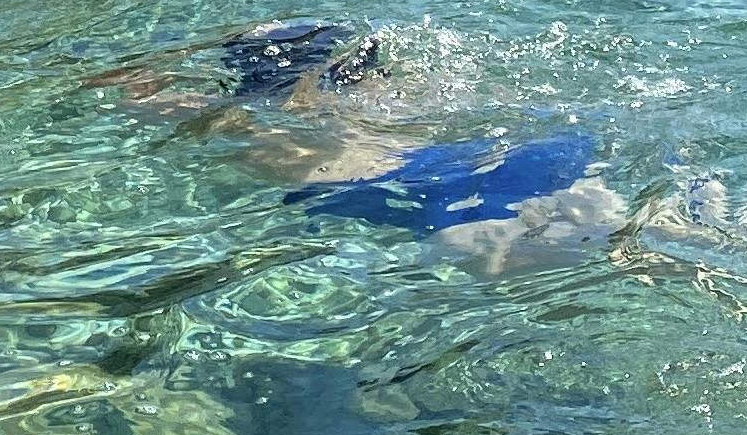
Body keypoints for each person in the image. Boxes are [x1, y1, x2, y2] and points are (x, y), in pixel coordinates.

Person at [103, 20, 628, 271]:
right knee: (635, 242)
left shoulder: (260, 134)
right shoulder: (415, 92)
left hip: (429, 196)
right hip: (543, 154)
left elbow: (127, 89)